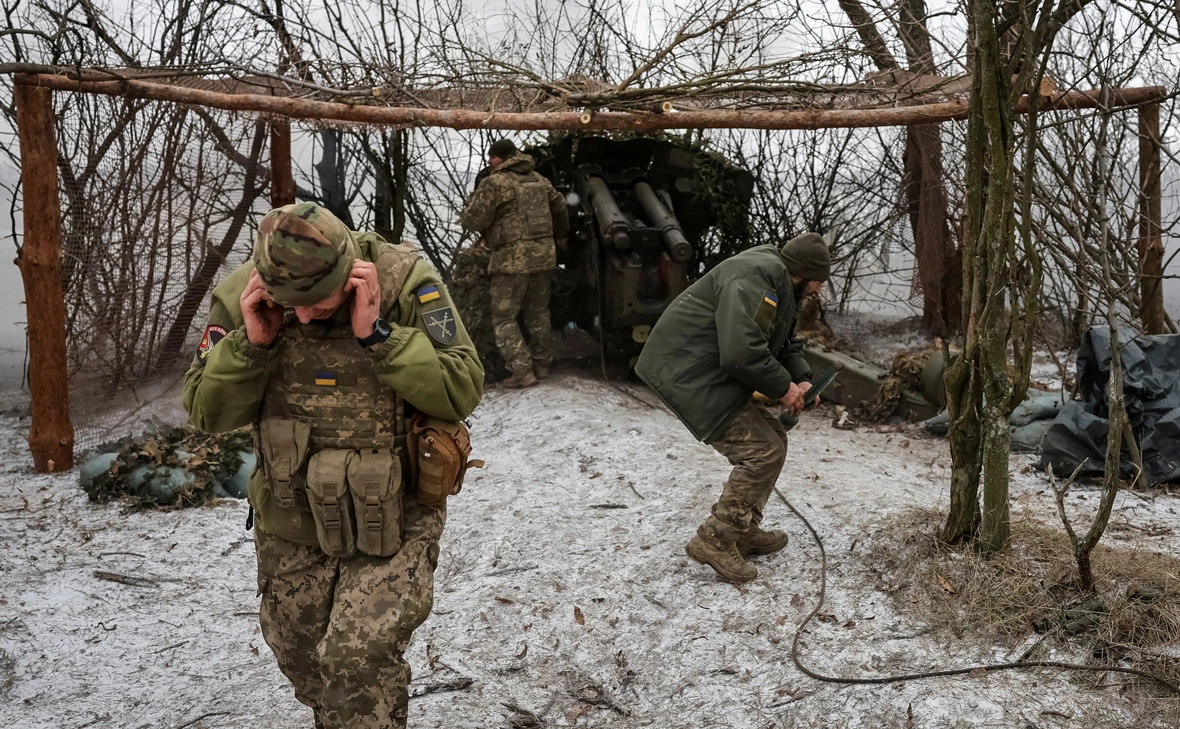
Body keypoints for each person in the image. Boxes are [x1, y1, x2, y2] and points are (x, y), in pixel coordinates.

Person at [183, 202, 484, 729]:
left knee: (355, 661)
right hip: (291, 513)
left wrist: (380, 336)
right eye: (288, 306)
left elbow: (460, 389)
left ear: (351, 273)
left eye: (318, 305)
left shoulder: (406, 283)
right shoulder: (240, 297)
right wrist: (252, 347)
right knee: (301, 661)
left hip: (395, 512)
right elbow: (206, 412)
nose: (302, 318)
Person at [634, 232, 831, 584]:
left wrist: (801, 379)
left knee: (774, 441)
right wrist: (782, 388)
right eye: (818, 280)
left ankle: (742, 529)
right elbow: (741, 352)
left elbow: (784, 343)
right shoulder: (755, 280)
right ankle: (714, 540)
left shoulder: (778, 282)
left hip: (708, 370)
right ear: (801, 273)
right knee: (762, 450)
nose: (819, 290)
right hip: (688, 371)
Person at [459, 138, 569, 389]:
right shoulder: (540, 180)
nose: (489, 161)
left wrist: (470, 214)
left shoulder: (495, 183)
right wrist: (560, 234)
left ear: (505, 158)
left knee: (503, 317)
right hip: (543, 257)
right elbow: (560, 205)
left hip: (511, 261)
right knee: (538, 312)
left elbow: (474, 220)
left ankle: (521, 370)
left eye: (493, 157)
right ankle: (542, 365)